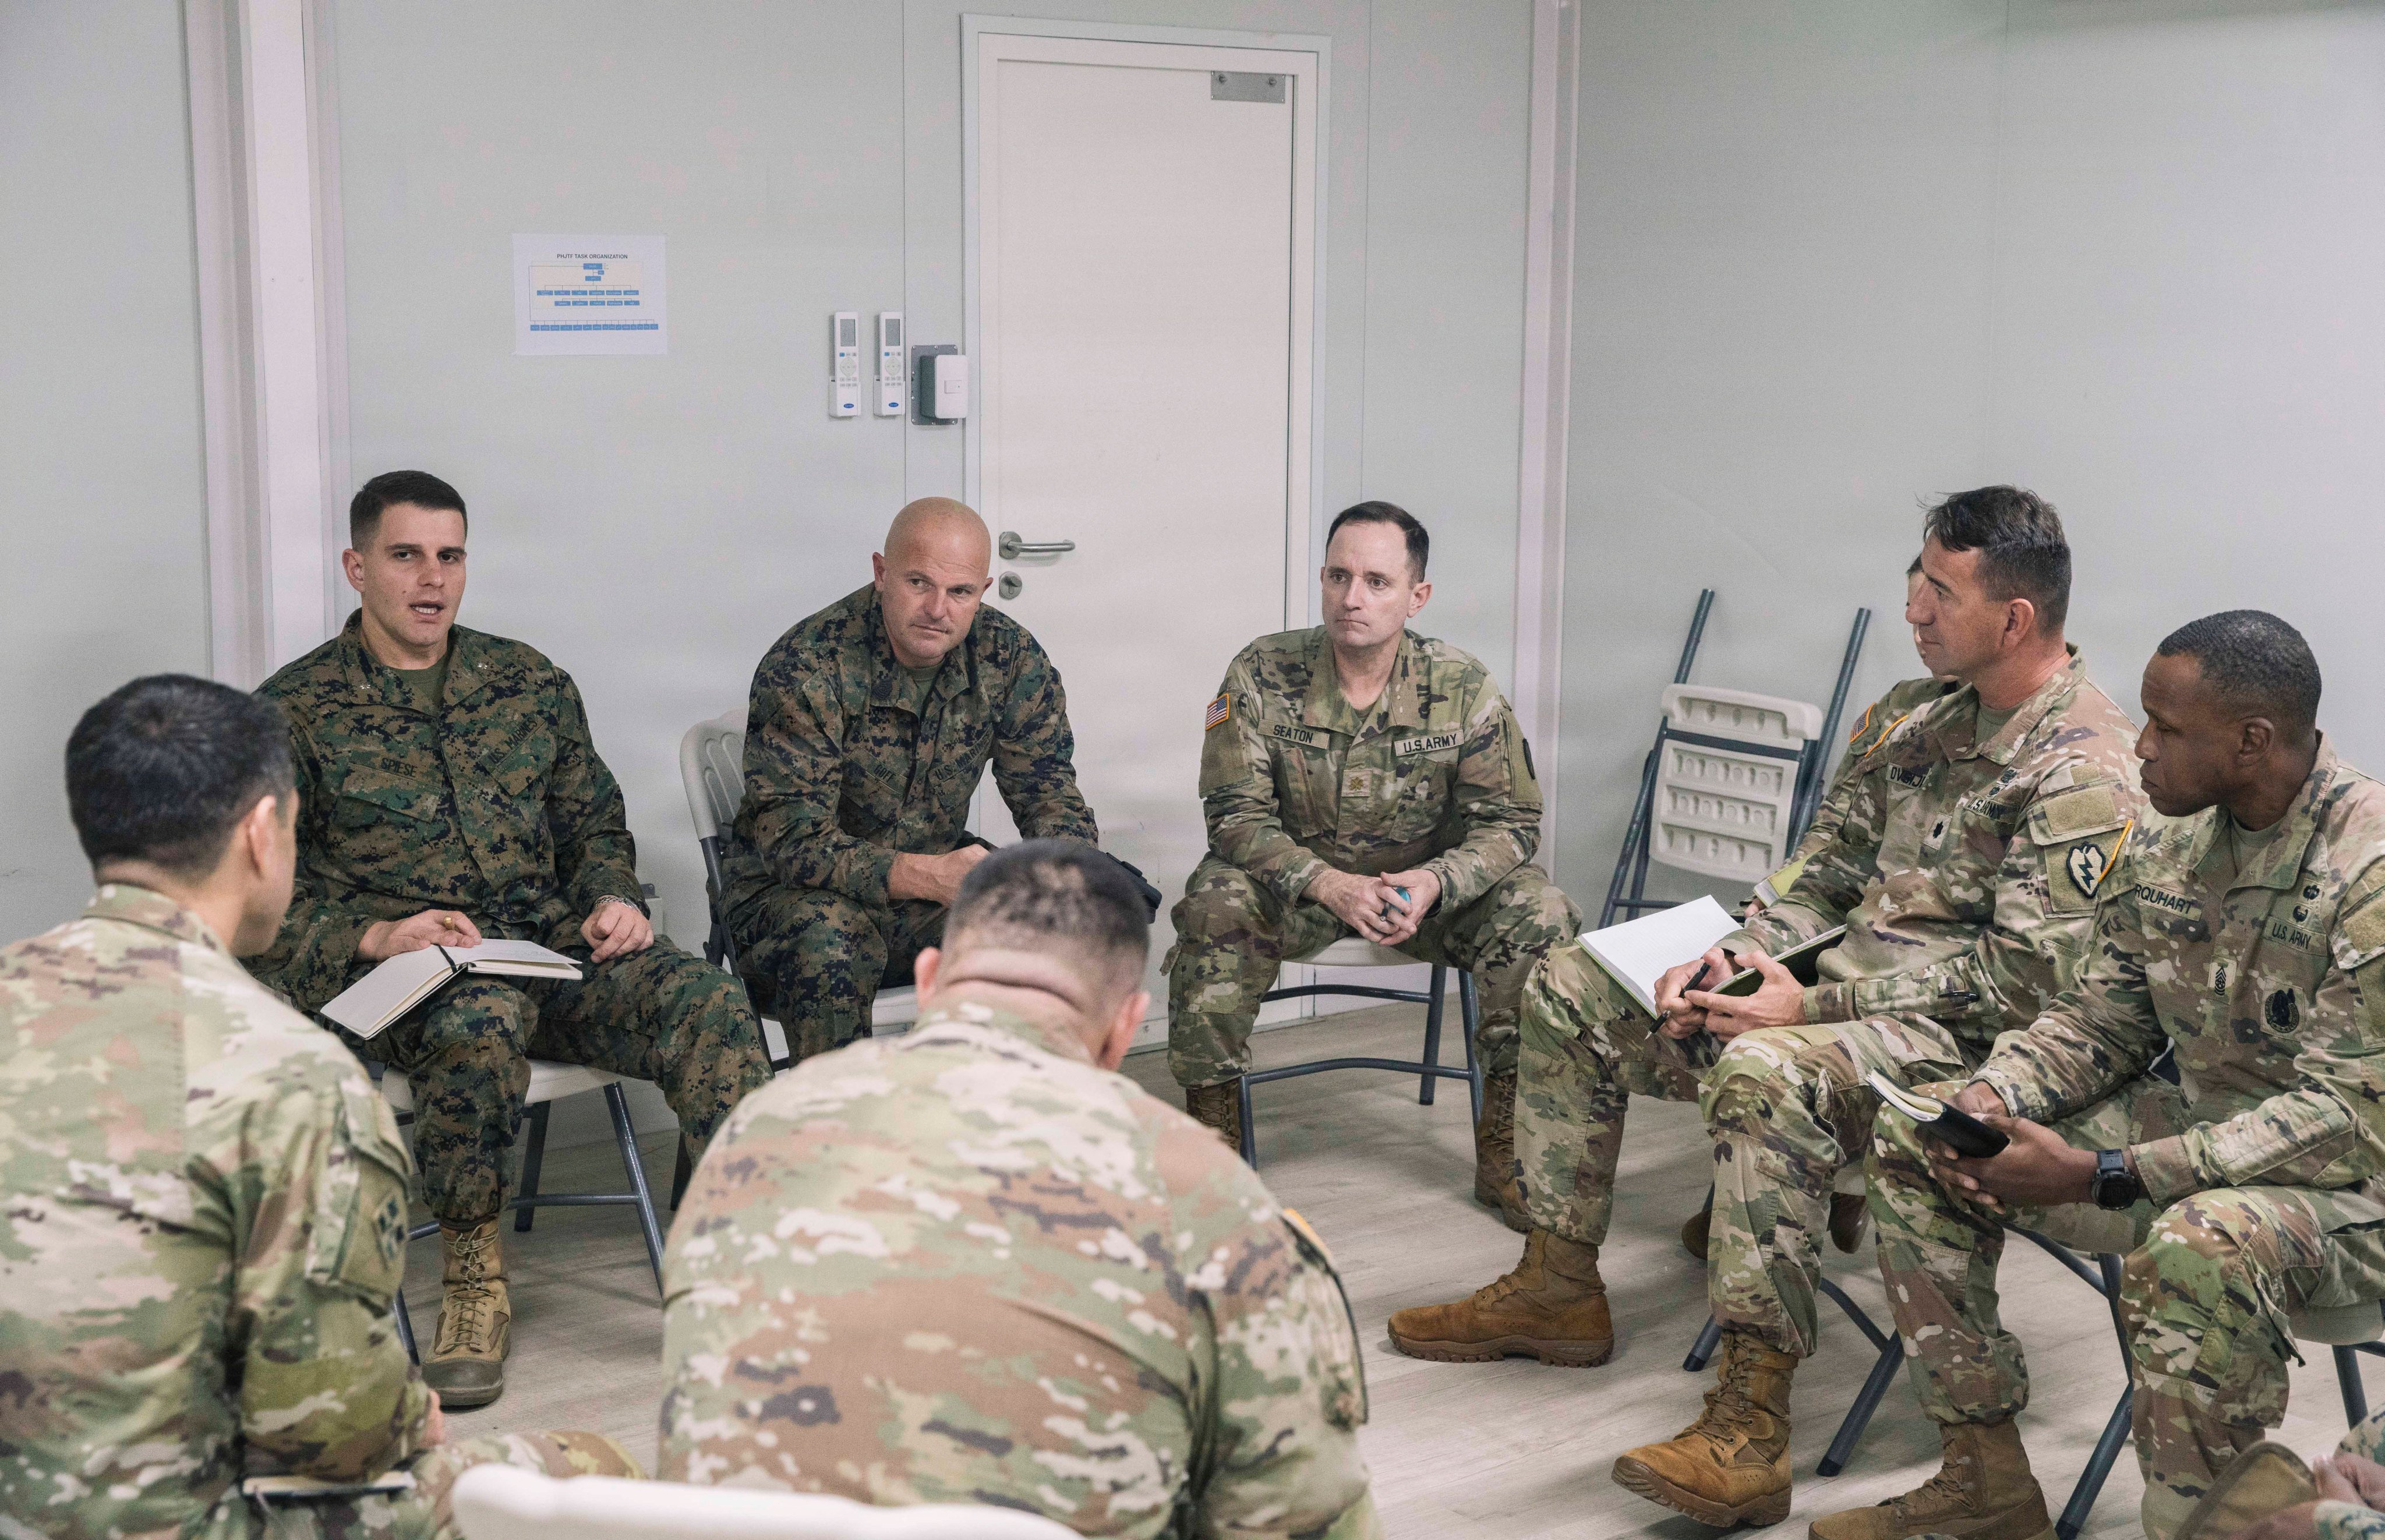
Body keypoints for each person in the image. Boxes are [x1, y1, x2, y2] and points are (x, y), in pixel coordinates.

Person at [1387, 486, 2147, 1527]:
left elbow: (2024, 983)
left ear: (2014, 619)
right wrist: (1731, 956)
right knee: (1571, 980)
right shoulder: (1914, 714)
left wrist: (1807, 1005)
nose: (1913, 607)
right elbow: (1820, 872)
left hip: (1961, 1043)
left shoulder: (2084, 768)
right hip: (1828, 997)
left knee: (1761, 1072)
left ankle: (1748, 1424)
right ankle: (1557, 1283)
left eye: (1939, 590)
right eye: (1917, 580)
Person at [0, 674, 639, 1540]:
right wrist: (404, 1415)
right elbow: (334, 1441)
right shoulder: (290, 1076)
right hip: (175, 1519)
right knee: (597, 1472)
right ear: (262, 833)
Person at [1812, 611, 2385, 1540]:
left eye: (2166, 728)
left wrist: (2103, 1173)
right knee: (1924, 1143)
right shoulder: (2169, 835)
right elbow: (2101, 1018)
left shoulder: (2368, 867)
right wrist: (1997, 1093)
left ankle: (2201, 1529)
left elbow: (2344, 1117)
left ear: (2251, 741)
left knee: (2200, 1244)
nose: (2140, 745)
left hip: (2352, 1193)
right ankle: (1983, 1479)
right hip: (2197, 1133)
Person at [659, 840, 1381, 1537]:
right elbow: (1299, 1513)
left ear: (931, 980)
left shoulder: (757, 1128)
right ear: (1125, 1028)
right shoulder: (1208, 1194)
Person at [252, 470, 771, 1410]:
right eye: (406, 555)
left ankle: (730, 1270)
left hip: (548, 949)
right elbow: (256, 899)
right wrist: (374, 932)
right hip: (415, 978)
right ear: (356, 567)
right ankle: (473, 1282)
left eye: (449, 556)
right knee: (479, 1021)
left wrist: (612, 896)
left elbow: (592, 823)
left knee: (710, 1002)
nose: (432, 578)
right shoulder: (294, 711)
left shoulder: (527, 682)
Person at [1168, 500, 1578, 1214]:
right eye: (1339, 576)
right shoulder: (1261, 671)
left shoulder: (1463, 687)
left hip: (1421, 901)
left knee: (1541, 912)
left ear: (1417, 596)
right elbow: (1234, 815)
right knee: (1214, 904)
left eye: (1377, 582)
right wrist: (1327, 884)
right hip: (1297, 894)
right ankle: (1212, 1150)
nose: (1351, 598)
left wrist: (1436, 881)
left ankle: (1509, 1147)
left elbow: (1511, 821)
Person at [718, 496, 1100, 1064]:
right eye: (919, 582)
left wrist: (1075, 876)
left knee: (1044, 928)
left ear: (983, 590)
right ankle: (839, 1118)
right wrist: (927, 874)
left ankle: (992, 1110)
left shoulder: (1010, 658)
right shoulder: (809, 664)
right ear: (881, 573)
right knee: (833, 940)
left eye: (960, 592)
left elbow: (1047, 790)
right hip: (789, 905)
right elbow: (793, 843)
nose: (937, 609)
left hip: (922, 900)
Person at [1681, 553, 1957, 1260]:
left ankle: (1817, 1184)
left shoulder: (2060, 750)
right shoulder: (1899, 711)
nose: (1918, 623)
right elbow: (1833, 840)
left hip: (1922, 990)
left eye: (1937, 604)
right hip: (1842, 935)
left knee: (1766, 1050)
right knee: (1718, 986)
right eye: (1913, 604)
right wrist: (1768, 907)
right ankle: (1759, 1193)